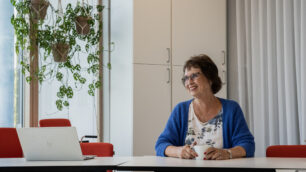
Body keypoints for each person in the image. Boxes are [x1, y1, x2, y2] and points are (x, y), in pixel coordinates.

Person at [155, 54, 255, 160]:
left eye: (194, 76)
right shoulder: (180, 110)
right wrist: (179, 151)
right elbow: (161, 145)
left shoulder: (231, 109)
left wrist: (228, 153)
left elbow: (247, 145)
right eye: (186, 78)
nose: (189, 82)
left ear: (210, 78)